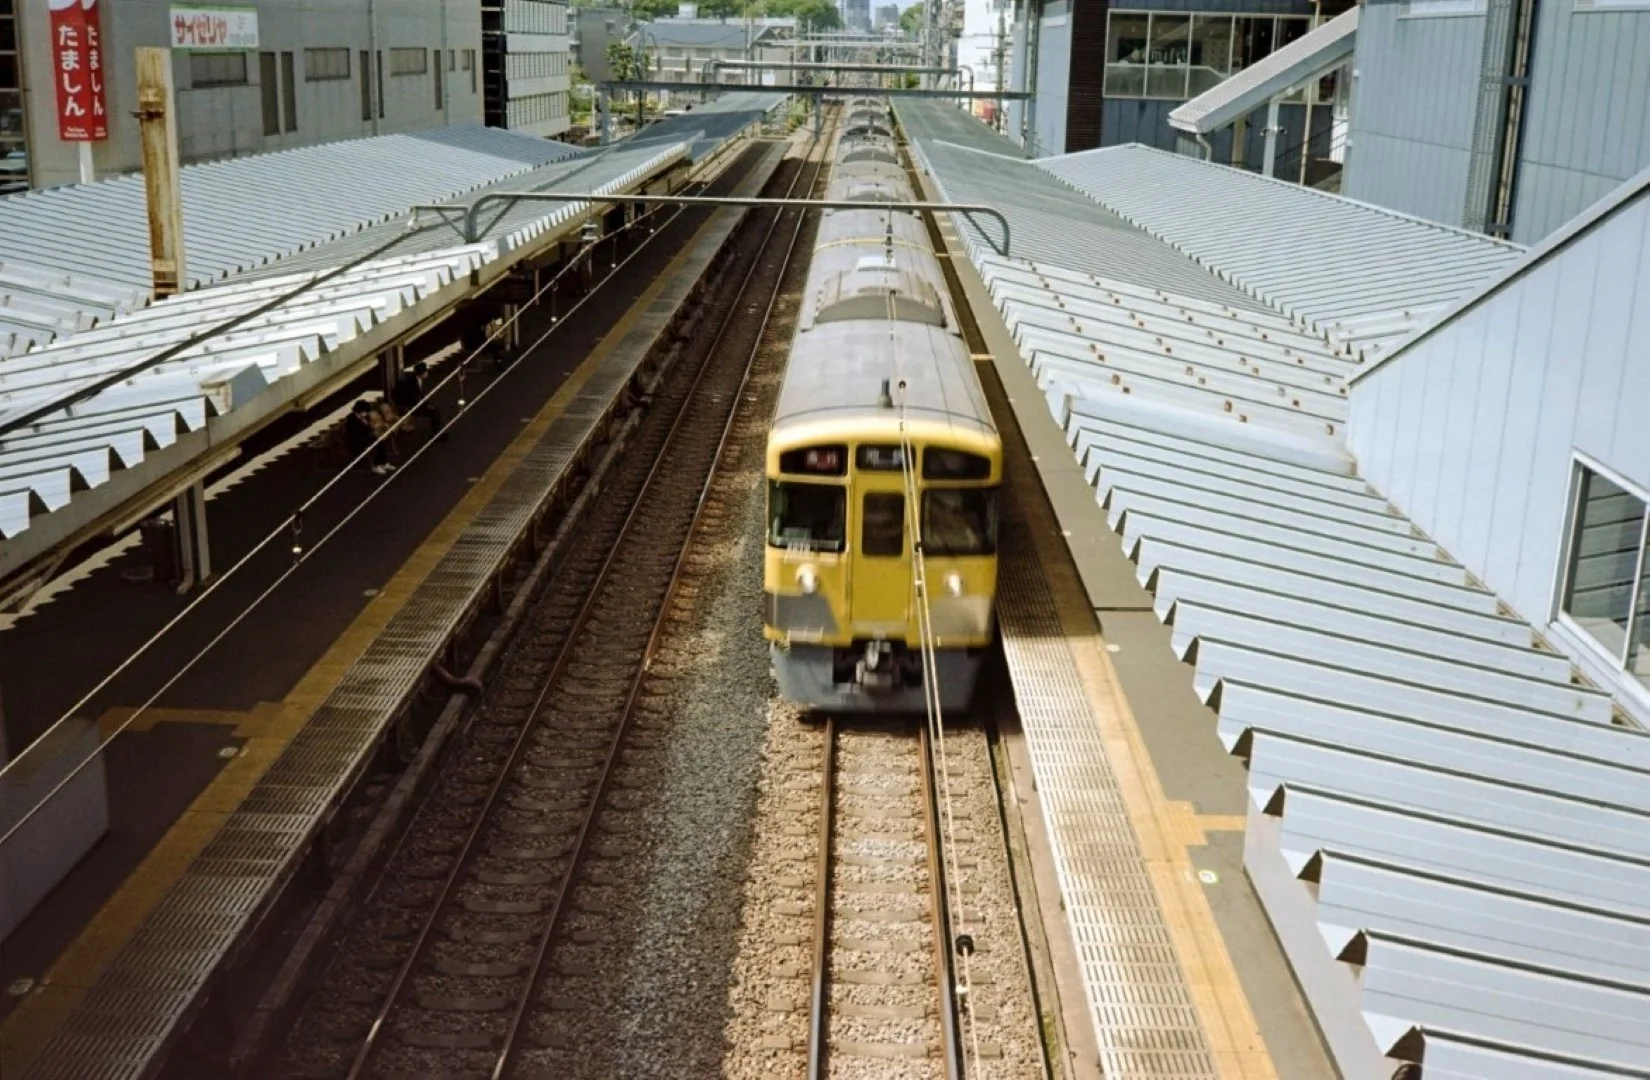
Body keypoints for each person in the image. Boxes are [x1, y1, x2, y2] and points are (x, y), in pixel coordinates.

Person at [391, 361, 445, 440]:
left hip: (416, 404)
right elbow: (414, 398)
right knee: (434, 411)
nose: (427, 373)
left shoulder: (415, 379)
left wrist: (427, 404)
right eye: (426, 371)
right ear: (422, 373)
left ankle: (438, 432)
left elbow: (420, 395)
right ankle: (437, 434)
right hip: (411, 406)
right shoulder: (411, 382)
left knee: (435, 409)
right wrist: (425, 405)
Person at [344, 399, 393, 475]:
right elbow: (354, 432)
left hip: (366, 437)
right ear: (359, 410)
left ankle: (384, 462)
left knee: (382, 441)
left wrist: (374, 429)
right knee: (377, 444)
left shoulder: (366, 417)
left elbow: (369, 428)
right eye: (364, 411)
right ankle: (376, 465)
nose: (366, 413)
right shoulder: (351, 418)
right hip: (356, 440)